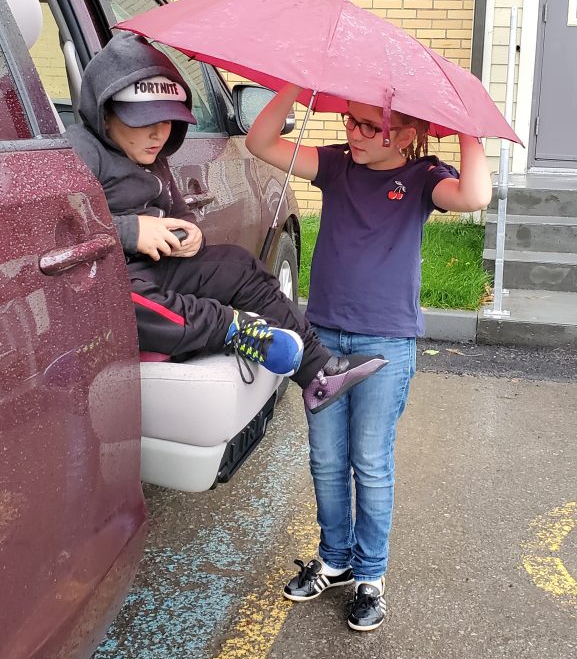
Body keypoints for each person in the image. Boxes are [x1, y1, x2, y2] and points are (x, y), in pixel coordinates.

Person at [246, 85, 492, 631]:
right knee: (326, 459)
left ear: (407, 136)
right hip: (323, 339)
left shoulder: (424, 178)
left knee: (371, 461)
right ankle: (335, 560)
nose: (353, 133)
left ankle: (370, 576)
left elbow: (475, 196)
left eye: (368, 126)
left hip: (385, 342)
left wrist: (466, 124)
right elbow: (260, 141)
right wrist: (296, 84)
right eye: (350, 122)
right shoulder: (336, 166)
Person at [65, 32, 388, 412]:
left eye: (168, 121)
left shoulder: (155, 159)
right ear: (105, 112)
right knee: (126, 302)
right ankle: (234, 328)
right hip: (112, 278)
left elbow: (179, 211)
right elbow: (59, 227)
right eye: (143, 121)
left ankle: (319, 371)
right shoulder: (79, 153)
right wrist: (129, 231)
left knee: (237, 264)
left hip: (160, 267)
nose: (158, 133)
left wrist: (190, 234)